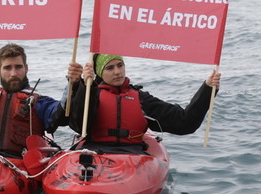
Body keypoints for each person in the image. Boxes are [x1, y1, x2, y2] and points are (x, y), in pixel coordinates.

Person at [68, 53, 221, 152]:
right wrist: (81, 84)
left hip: (132, 153)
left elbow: (184, 123)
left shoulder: (141, 98)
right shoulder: (91, 94)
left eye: (120, 65)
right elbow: (78, 124)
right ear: (100, 72)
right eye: (110, 68)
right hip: (95, 151)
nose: (117, 71)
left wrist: (207, 89)